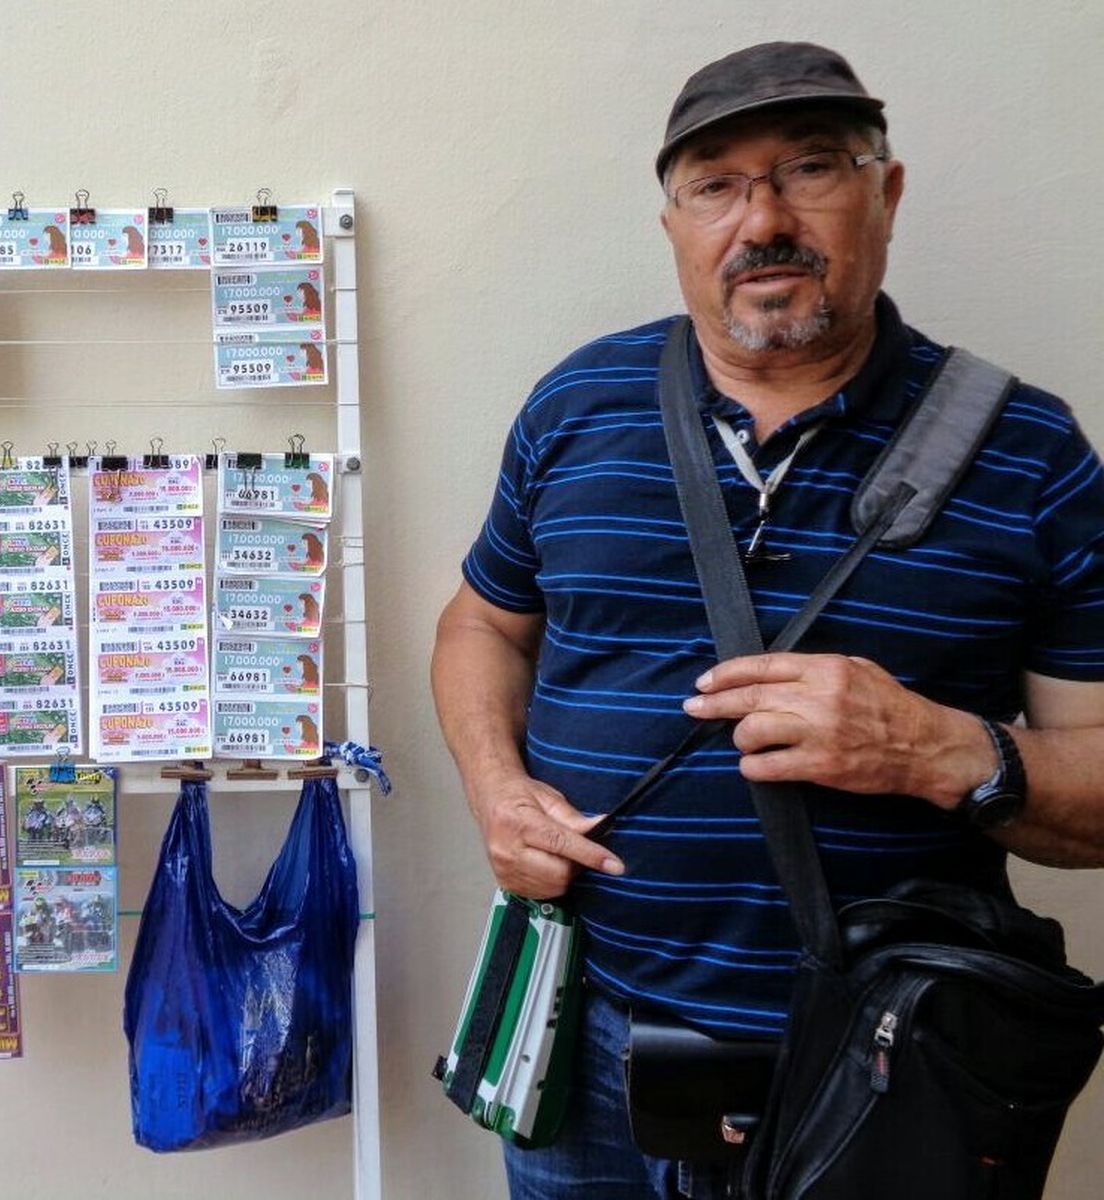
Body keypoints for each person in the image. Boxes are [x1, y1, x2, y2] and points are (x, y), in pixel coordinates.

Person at [430, 41, 1104, 1200]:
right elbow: (480, 628)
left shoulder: (1030, 453)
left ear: (884, 192)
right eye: (716, 185)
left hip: (882, 1065)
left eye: (810, 168)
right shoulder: (574, 406)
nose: (763, 220)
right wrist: (496, 789)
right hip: (584, 1040)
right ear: (674, 222)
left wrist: (942, 750)